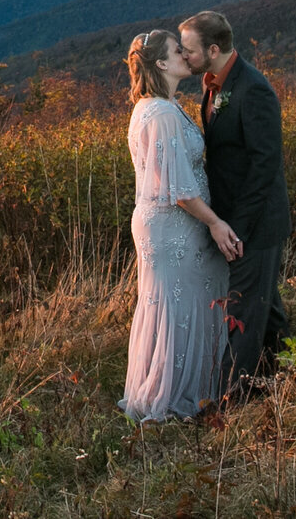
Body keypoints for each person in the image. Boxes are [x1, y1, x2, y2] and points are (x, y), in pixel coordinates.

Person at [118, 29, 242, 423]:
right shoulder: (163, 113)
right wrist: (216, 223)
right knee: (180, 304)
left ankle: (173, 390)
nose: (186, 56)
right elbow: (180, 191)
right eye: (178, 51)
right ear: (161, 64)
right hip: (176, 225)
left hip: (162, 223)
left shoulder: (154, 107)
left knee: (169, 305)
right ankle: (176, 397)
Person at [178, 10, 290, 399]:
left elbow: (265, 166)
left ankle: (231, 405)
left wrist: (235, 228)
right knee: (266, 310)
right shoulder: (211, 85)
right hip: (234, 218)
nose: (183, 56)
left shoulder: (253, 90)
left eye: (188, 50)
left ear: (213, 49)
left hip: (255, 224)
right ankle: (287, 380)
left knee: (243, 311)